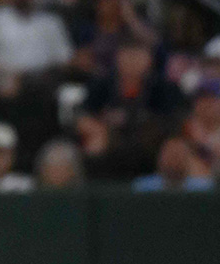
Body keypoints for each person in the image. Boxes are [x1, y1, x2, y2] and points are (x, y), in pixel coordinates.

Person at [77, 37, 187, 179]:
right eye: (127, 55)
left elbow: (173, 121)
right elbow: (83, 115)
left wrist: (132, 119)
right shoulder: (101, 85)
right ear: (118, 58)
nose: (132, 62)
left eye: (137, 56)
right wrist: (98, 126)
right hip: (110, 147)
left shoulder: (164, 88)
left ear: (149, 60)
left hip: (150, 149)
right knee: (93, 143)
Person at [72, 0, 157, 78]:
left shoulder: (134, 26)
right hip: (96, 80)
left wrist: (130, 18)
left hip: (129, 80)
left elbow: (155, 46)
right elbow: (79, 58)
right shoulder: (87, 29)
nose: (108, 4)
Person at [133, 136, 214, 191]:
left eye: (178, 155)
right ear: (160, 158)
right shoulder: (143, 188)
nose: (174, 161)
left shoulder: (202, 188)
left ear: (188, 159)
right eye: (170, 155)